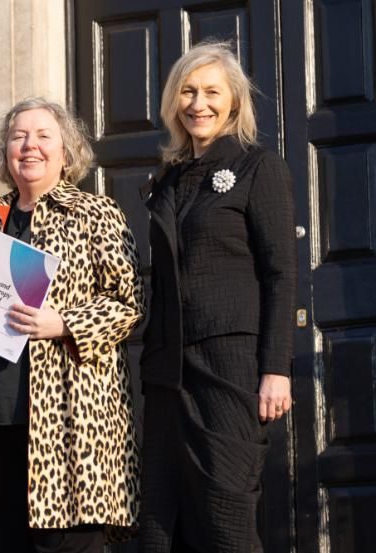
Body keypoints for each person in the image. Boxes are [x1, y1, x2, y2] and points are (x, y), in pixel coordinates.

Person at [0, 98, 145, 552]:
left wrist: (64, 322)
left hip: (70, 426)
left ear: (66, 152)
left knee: (68, 547)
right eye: (18, 136)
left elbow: (127, 304)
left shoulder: (98, 215)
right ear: (5, 152)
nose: (29, 145)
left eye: (42, 135)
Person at [138, 41, 297, 553]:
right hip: (166, 371)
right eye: (187, 91)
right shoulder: (165, 179)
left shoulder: (257, 167)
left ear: (232, 102)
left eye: (211, 92)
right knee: (161, 523)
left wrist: (276, 369)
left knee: (226, 516)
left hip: (229, 365)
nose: (197, 103)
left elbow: (280, 272)